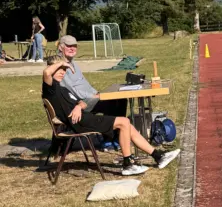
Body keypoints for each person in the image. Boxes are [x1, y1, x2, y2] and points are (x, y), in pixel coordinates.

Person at [42, 57, 180, 176]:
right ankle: (128, 164)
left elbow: (81, 102)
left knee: (127, 125)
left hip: (84, 117)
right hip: (79, 123)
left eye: (64, 70)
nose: (63, 72)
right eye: (60, 69)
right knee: (124, 122)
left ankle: (158, 156)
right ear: (52, 69)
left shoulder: (62, 88)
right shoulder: (50, 89)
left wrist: (79, 106)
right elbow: (46, 72)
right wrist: (62, 63)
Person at [58, 34, 126, 151]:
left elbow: (85, 84)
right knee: (112, 103)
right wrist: (95, 97)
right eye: (69, 46)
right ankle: (109, 140)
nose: (72, 48)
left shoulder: (73, 63)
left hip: (87, 98)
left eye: (74, 46)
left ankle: (115, 136)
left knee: (120, 99)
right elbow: (72, 90)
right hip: (78, 104)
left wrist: (97, 93)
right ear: (60, 47)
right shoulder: (60, 65)